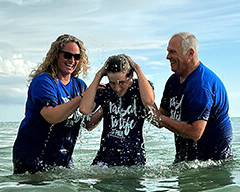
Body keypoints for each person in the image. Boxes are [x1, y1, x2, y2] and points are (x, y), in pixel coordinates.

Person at [12, 34, 95, 174]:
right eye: (67, 55)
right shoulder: (44, 81)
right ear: (56, 55)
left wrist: (105, 105)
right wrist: (83, 97)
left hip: (63, 160)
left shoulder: (80, 86)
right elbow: (52, 117)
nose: (72, 60)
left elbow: (88, 124)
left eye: (77, 57)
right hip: (32, 157)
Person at [154, 32, 233, 162]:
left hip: (214, 165)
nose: (168, 57)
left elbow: (195, 133)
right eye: (168, 51)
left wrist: (159, 117)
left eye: (172, 52)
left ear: (190, 54)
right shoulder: (173, 82)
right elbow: (159, 120)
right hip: (186, 162)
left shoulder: (201, 84)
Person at [79, 54, 155, 167]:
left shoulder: (139, 89)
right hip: (105, 157)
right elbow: (84, 109)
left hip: (133, 159)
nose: (117, 88)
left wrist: (137, 68)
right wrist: (98, 75)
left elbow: (149, 101)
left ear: (131, 76)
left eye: (121, 82)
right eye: (112, 83)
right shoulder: (106, 91)